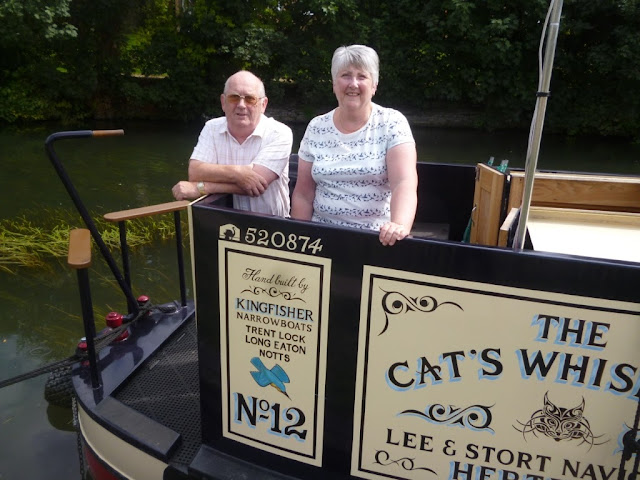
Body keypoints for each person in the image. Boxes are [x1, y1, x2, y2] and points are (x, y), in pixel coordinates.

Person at [290, 45, 418, 246]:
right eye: (346, 75)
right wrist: (299, 238)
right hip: (320, 239)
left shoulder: (392, 123)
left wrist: (398, 226)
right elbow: (303, 194)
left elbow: (404, 184)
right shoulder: (316, 127)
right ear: (334, 84)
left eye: (362, 76)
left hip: (376, 240)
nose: (353, 84)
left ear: (374, 85)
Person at [172, 70, 293, 217]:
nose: (241, 105)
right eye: (234, 98)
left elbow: (257, 184)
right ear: (223, 102)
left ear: (263, 104)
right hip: (225, 224)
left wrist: (202, 188)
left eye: (250, 99)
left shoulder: (280, 133)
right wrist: (238, 173)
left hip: (272, 225)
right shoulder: (211, 128)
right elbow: (195, 172)